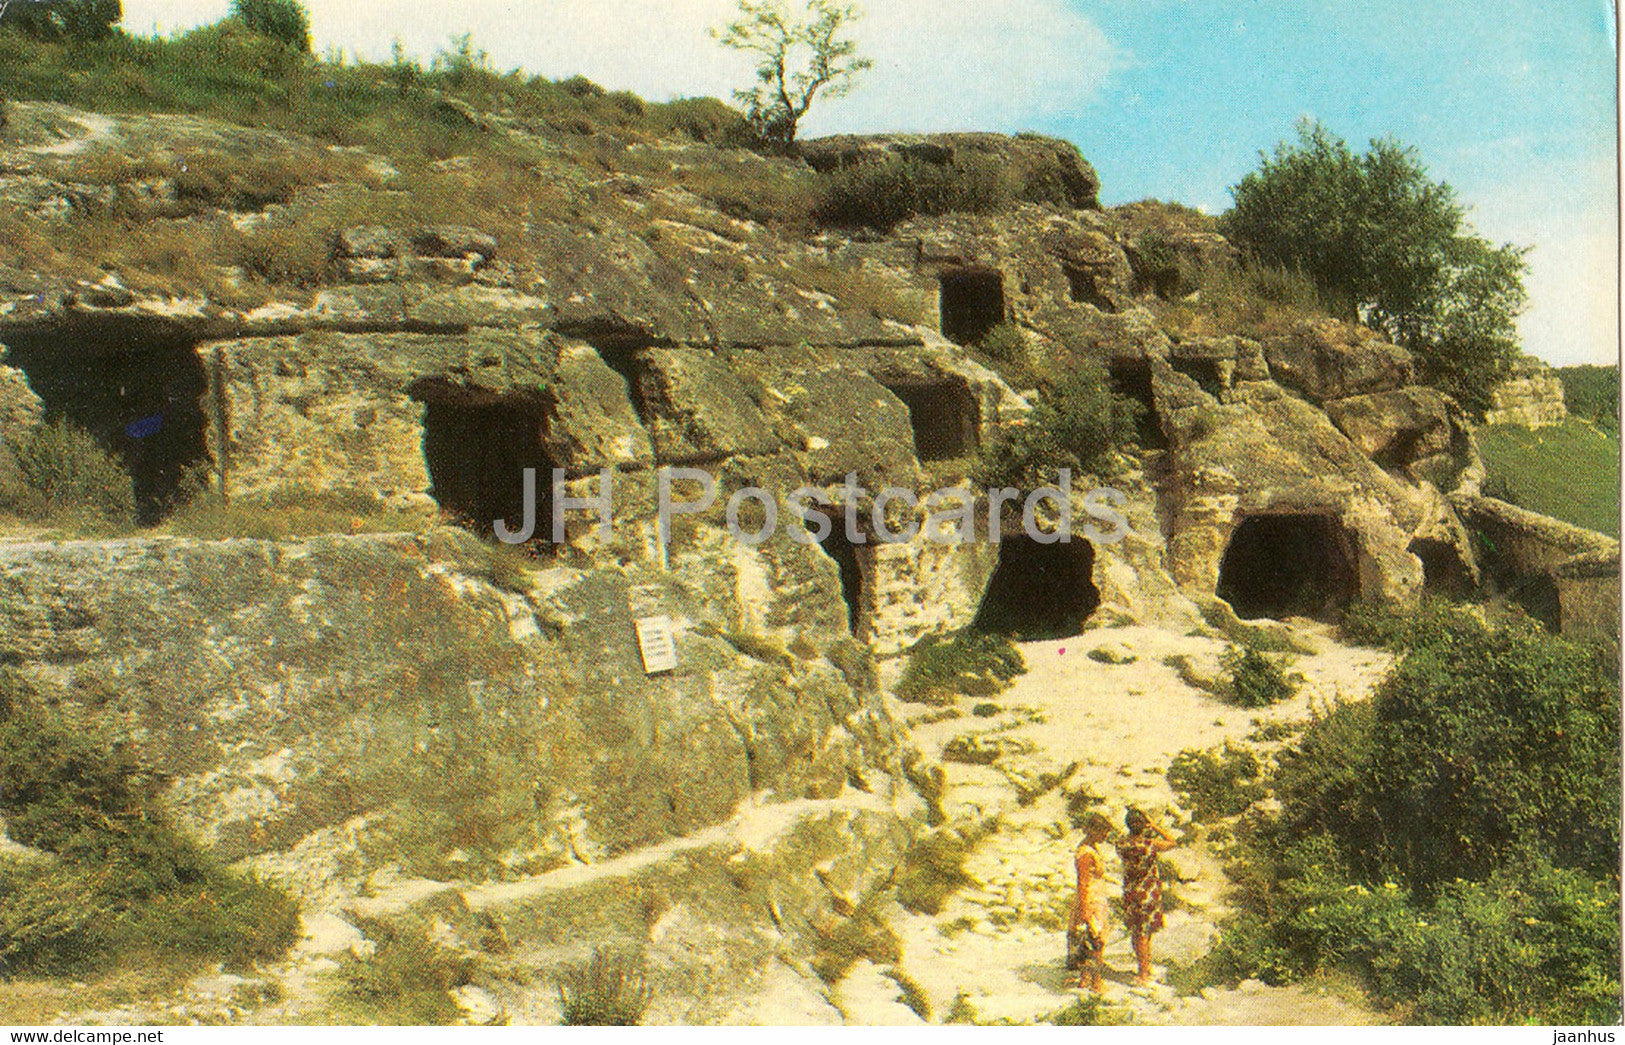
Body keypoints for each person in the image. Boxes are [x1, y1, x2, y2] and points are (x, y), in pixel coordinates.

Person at [1117, 807, 1178, 987]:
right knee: (1146, 932)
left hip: (1131, 892)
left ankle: (1144, 967)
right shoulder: (1150, 844)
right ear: (1143, 825)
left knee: (1138, 933)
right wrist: (1155, 826)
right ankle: (1144, 972)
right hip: (1149, 891)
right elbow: (1172, 842)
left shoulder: (1121, 844)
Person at [1067, 812, 1113, 991]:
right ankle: (1096, 981)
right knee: (1096, 941)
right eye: (1103, 832)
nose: (1105, 836)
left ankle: (1086, 978)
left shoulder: (1090, 847)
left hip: (1095, 896)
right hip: (1091, 899)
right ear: (1094, 831)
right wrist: (1085, 908)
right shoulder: (1085, 853)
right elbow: (1083, 881)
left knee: (1089, 939)